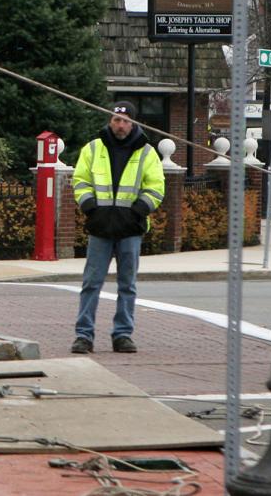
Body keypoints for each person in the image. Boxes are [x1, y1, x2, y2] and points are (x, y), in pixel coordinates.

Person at [69, 99, 165, 355]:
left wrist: (138, 211)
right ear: (110, 120)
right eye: (115, 119)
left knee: (127, 285)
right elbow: (80, 180)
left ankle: (123, 335)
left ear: (132, 122)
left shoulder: (147, 152)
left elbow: (156, 187)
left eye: (124, 120)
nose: (119, 125)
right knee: (91, 283)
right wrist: (91, 208)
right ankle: (83, 336)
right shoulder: (93, 148)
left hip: (130, 229)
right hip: (100, 228)